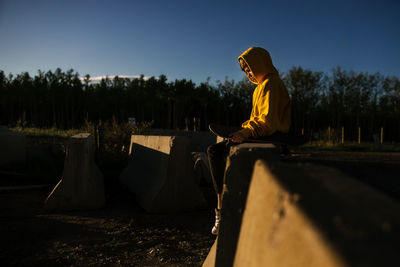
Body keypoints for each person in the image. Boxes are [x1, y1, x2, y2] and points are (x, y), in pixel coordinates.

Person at [207, 47, 291, 235]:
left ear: (260, 64)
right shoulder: (259, 88)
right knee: (216, 150)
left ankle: (222, 211)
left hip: (271, 134)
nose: (248, 74)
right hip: (260, 132)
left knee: (215, 151)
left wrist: (247, 133)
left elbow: (268, 122)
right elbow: (256, 118)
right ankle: (222, 208)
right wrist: (243, 130)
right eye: (245, 71)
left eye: (250, 68)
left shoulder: (272, 84)